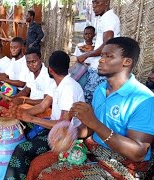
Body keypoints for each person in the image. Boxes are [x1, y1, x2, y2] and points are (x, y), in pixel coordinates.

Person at [27, 37, 154, 179]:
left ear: (127, 62)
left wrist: (94, 123)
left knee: (52, 177)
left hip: (124, 164)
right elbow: (91, 129)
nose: (101, 60)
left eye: (109, 56)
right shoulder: (101, 89)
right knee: (38, 164)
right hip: (94, 149)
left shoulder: (143, 99)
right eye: (102, 55)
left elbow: (138, 153)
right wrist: (69, 132)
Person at [4, 51, 85, 180]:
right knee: (22, 125)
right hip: (53, 128)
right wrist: (21, 114)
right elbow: (42, 106)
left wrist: (31, 118)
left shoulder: (69, 88)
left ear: (50, 69)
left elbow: (63, 124)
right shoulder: (56, 83)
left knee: (21, 150)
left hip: (64, 136)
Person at [77, 0, 120, 104]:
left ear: (106, 2)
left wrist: (86, 55)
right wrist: (91, 50)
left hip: (101, 69)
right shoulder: (105, 18)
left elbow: (108, 44)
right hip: (99, 67)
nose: (94, 6)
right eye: (93, 3)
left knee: (90, 100)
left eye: (97, 3)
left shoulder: (109, 18)